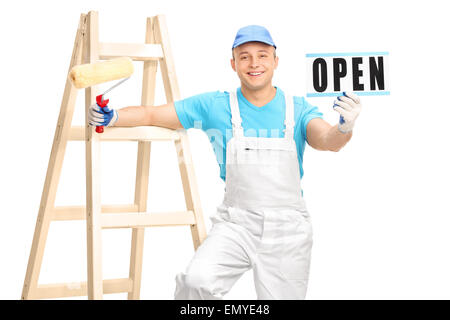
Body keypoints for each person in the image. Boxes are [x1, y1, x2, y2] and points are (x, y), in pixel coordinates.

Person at [88, 25, 362, 300]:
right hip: (236, 224)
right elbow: (151, 114)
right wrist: (113, 117)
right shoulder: (215, 106)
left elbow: (327, 140)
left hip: (287, 231)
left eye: (262, 55)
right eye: (244, 57)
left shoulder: (298, 108)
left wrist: (344, 127)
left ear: (275, 61)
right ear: (233, 64)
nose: (254, 63)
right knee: (196, 283)